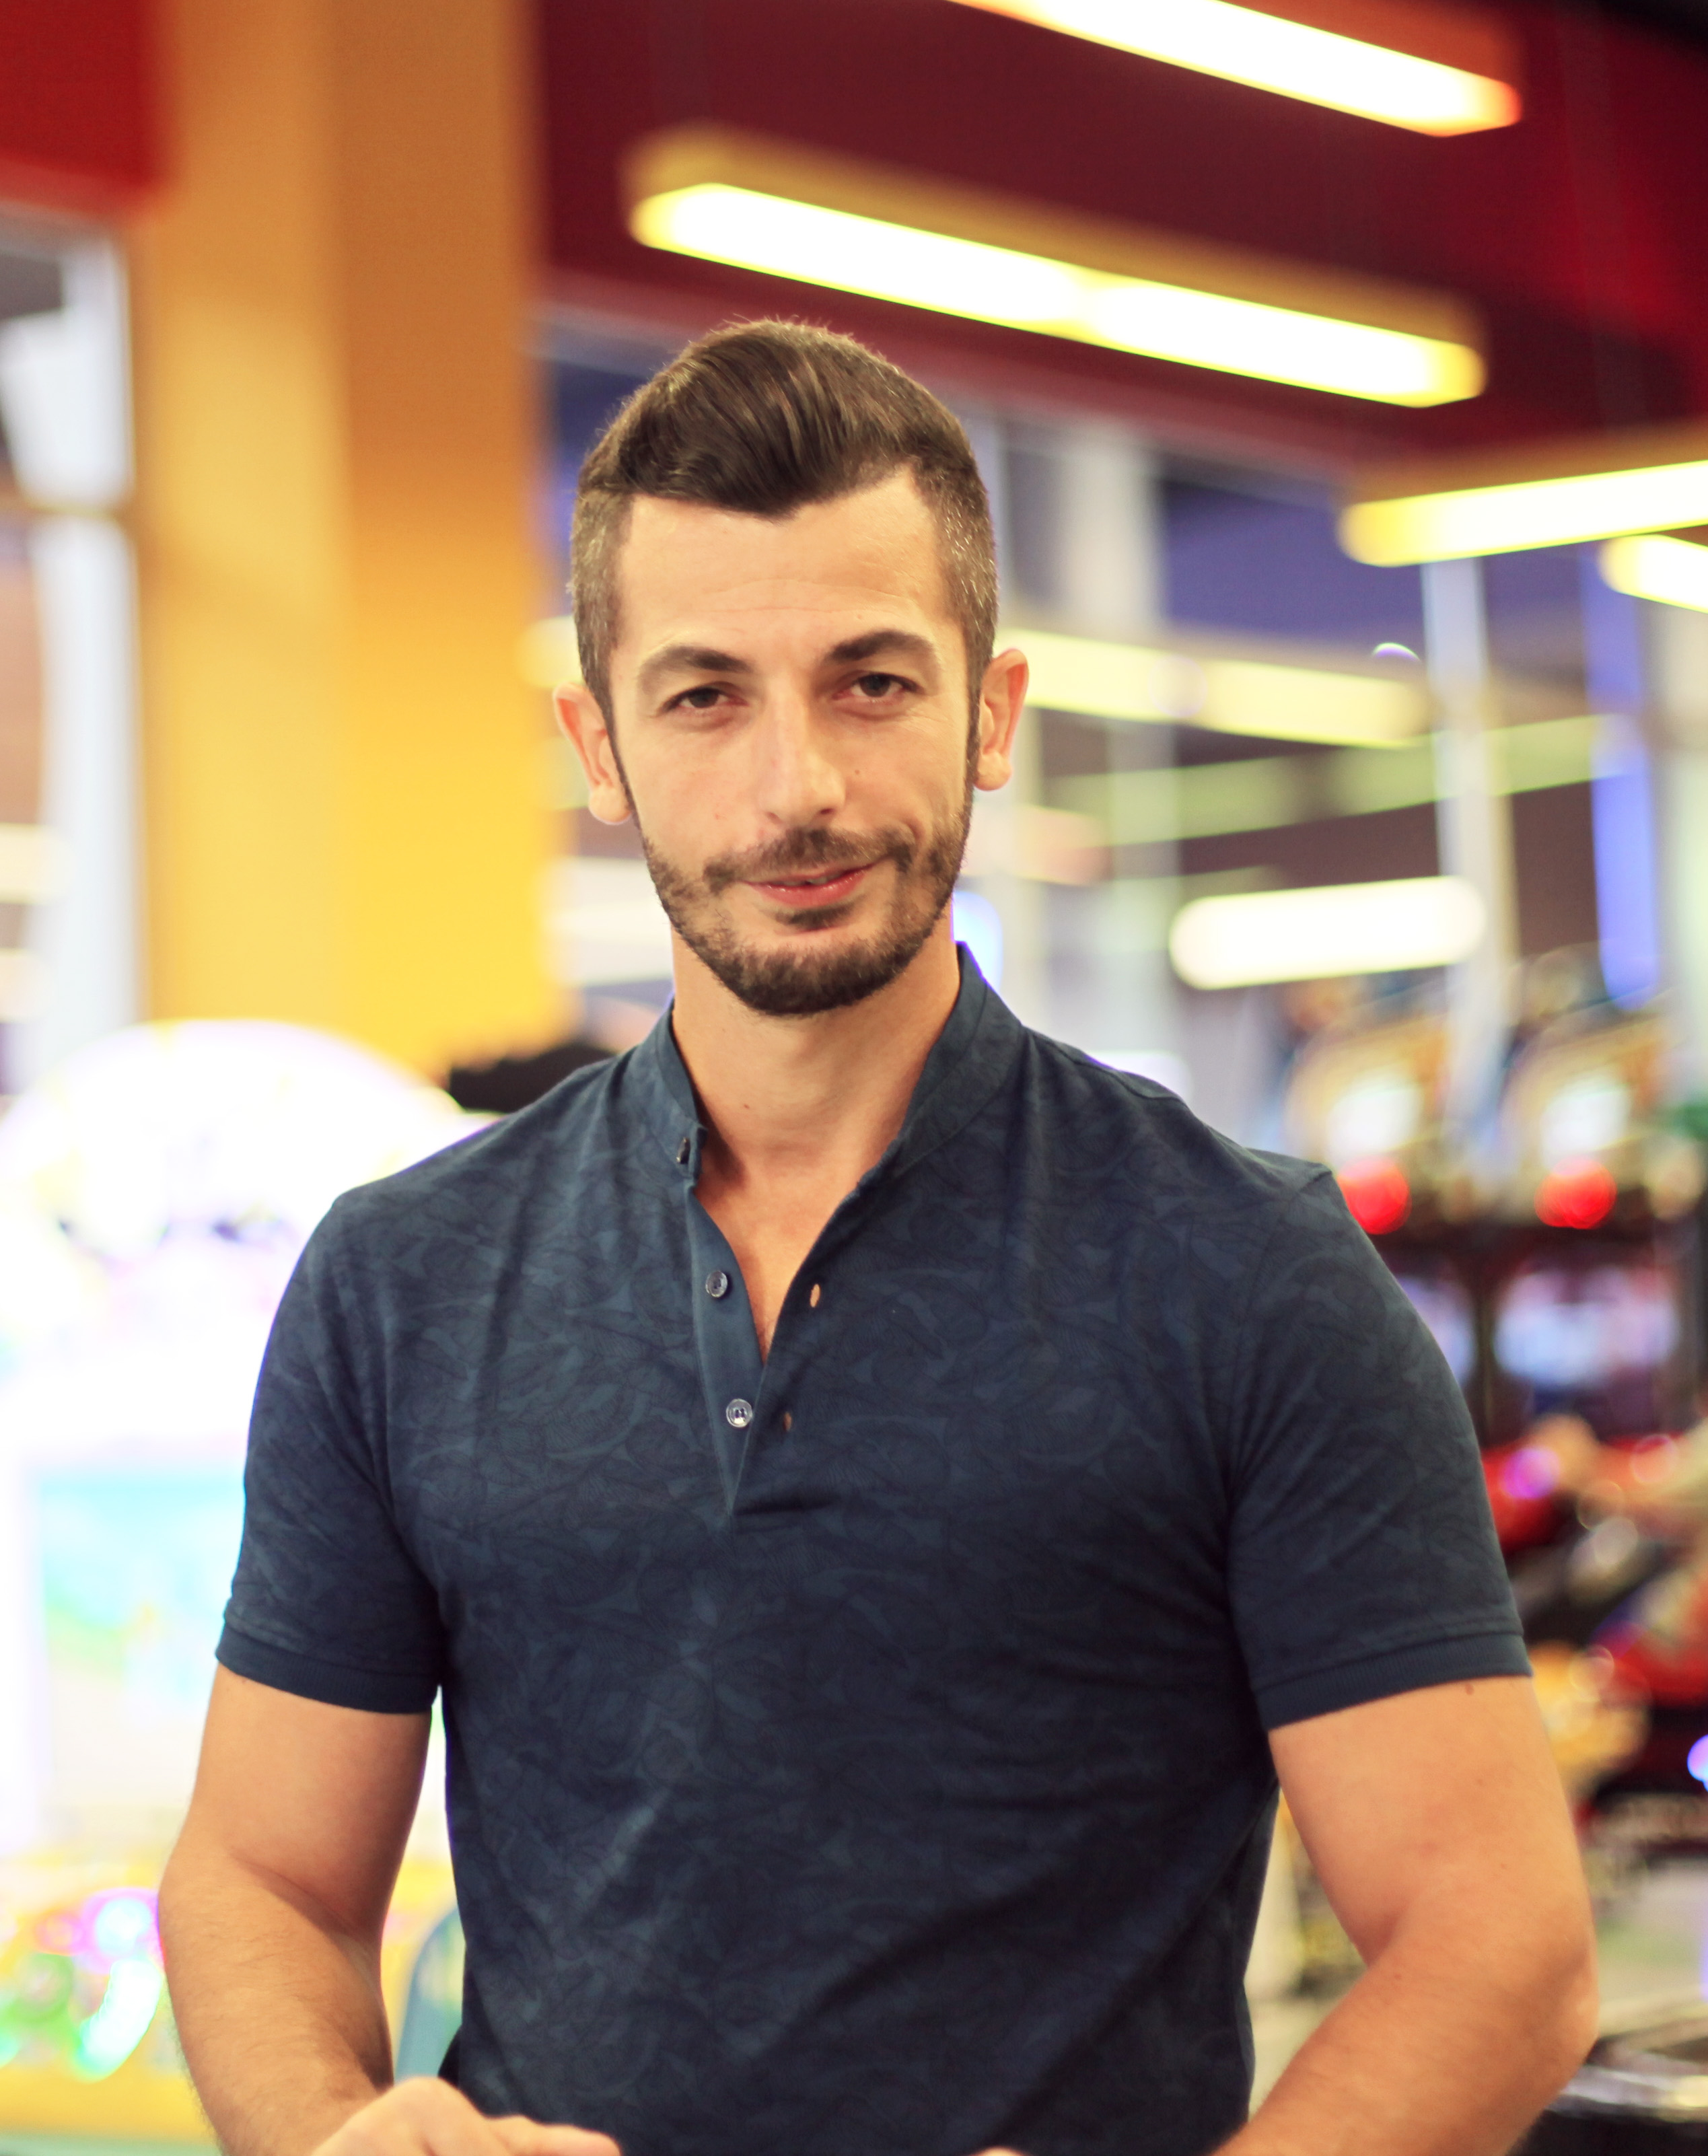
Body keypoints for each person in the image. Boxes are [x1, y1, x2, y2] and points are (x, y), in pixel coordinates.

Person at [159, 321, 1596, 2156]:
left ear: (989, 711)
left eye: (870, 682)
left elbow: (1495, 1943)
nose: (797, 789)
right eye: (704, 697)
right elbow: (265, 1878)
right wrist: (335, 2130)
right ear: (598, 744)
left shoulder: (1245, 1274)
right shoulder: (403, 1283)